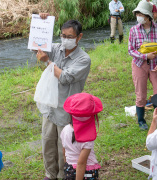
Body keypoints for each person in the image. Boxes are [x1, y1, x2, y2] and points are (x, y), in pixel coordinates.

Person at [36, 13, 91, 180]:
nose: (65, 39)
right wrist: (42, 23)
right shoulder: (56, 48)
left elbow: (65, 78)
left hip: (67, 110)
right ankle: (49, 175)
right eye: (63, 35)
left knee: (63, 147)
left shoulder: (83, 59)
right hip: (49, 106)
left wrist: (48, 63)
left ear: (79, 37)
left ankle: (61, 176)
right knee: (47, 143)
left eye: (69, 37)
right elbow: (36, 45)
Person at [128, 1, 157, 130]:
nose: (138, 16)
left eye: (141, 14)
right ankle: (141, 120)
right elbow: (130, 50)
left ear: (148, 16)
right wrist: (145, 56)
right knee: (141, 94)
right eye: (137, 14)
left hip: (156, 66)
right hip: (139, 65)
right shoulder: (134, 30)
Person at [61, 93, 103, 180]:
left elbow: (64, 150)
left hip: (69, 168)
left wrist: (67, 167)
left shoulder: (65, 130)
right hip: (86, 173)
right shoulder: (88, 139)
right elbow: (81, 163)